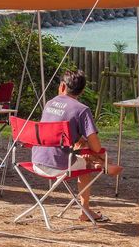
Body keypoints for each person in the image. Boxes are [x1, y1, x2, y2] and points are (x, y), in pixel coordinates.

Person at [31, 69, 123, 223]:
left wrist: (82, 143)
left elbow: (57, 136)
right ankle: (85, 209)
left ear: (62, 86)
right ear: (81, 90)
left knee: (82, 149)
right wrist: (95, 152)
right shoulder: (81, 109)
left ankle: (103, 163)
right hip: (58, 164)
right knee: (85, 165)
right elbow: (96, 145)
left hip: (36, 161)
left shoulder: (49, 104)